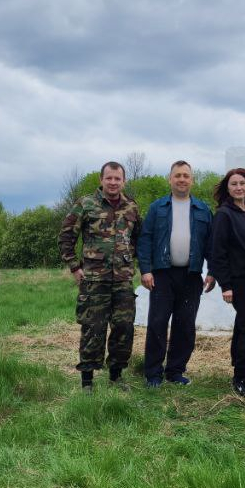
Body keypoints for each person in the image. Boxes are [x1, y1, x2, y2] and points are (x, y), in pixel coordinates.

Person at [58, 161, 142, 392]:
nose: (113, 182)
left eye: (118, 179)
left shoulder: (131, 207)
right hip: (94, 280)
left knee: (123, 328)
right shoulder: (86, 204)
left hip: (123, 281)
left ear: (123, 181)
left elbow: (138, 240)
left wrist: (133, 263)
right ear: (101, 180)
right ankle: (87, 381)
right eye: (109, 178)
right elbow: (66, 236)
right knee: (93, 328)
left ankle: (116, 377)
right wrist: (75, 267)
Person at [137, 160, 215, 386]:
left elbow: (211, 244)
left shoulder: (202, 209)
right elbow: (145, 239)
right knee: (157, 323)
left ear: (192, 180)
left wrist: (212, 271)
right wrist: (146, 270)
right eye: (178, 175)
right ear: (170, 179)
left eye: (186, 176)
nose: (182, 179)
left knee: (185, 325)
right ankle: (153, 374)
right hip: (162, 274)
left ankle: (175, 372)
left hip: (191, 275)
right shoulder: (157, 207)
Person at [207, 168, 245, 397]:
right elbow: (218, 252)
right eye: (234, 184)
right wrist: (226, 285)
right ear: (227, 188)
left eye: (242, 183)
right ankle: (240, 376)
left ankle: (244, 372)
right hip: (238, 281)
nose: (239, 187)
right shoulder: (224, 214)